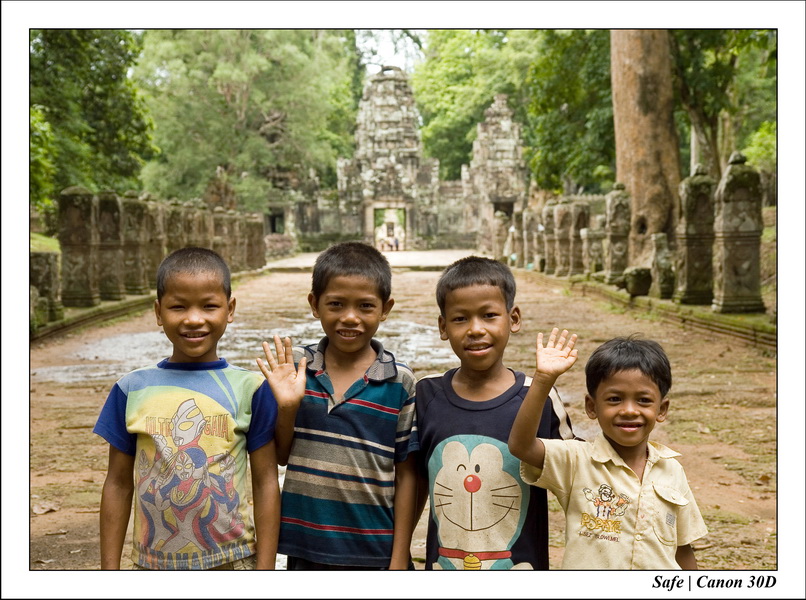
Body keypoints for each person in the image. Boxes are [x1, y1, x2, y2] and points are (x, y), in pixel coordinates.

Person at [93, 247, 281, 570]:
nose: (194, 319)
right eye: (178, 307)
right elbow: (118, 484)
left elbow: (265, 482)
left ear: (230, 308)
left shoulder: (251, 389)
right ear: (158, 312)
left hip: (232, 562)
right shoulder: (131, 389)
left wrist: (264, 571)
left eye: (209, 306)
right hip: (153, 566)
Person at [256, 241, 419, 570]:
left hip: (375, 547)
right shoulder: (297, 369)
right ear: (314, 304)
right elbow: (281, 456)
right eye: (336, 304)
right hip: (306, 545)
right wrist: (287, 408)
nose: (350, 317)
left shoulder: (399, 382)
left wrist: (400, 558)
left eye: (365, 306)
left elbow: (407, 477)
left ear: (385, 308)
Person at [414, 256, 577, 570]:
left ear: (513, 318)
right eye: (460, 318)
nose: (476, 329)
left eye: (489, 315)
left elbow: (575, 477)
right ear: (442, 326)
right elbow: (413, 481)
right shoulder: (426, 395)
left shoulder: (538, 395)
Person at [508, 329, 708, 569]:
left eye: (643, 400)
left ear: (662, 409)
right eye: (615, 399)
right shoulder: (576, 461)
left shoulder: (672, 470)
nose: (629, 410)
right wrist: (543, 379)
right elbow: (521, 445)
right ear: (591, 407)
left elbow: (682, 549)